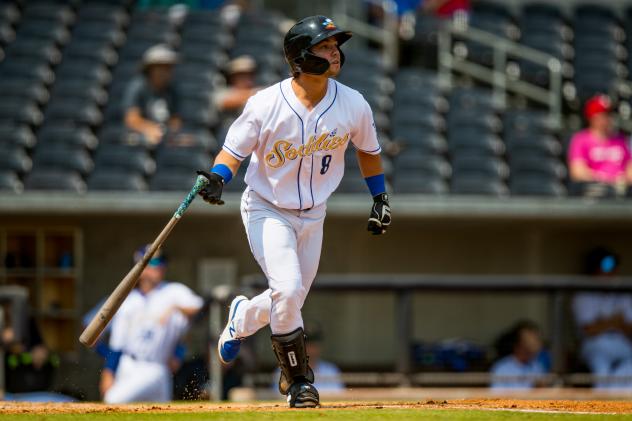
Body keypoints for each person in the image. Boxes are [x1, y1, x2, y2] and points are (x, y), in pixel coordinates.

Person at [195, 15, 391, 408]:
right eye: (324, 45)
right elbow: (233, 152)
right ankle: (299, 382)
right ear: (300, 56)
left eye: (336, 45)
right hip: (267, 208)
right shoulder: (266, 103)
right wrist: (218, 177)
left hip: (314, 213)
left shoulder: (353, 103)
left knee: (290, 298)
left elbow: (369, 152)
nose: (334, 51)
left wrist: (380, 198)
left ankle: (242, 318)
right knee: (286, 290)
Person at [100, 246, 204, 403]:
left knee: (114, 401)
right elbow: (117, 345)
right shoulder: (127, 301)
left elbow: (200, 310)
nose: (160, 267)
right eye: (154, 262)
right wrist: (109, 372)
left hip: (156, 367)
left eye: (162, 262)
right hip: (128, 365)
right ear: (140, 268)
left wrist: (176, 308)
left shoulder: (174, 291)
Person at [573, 247, 632, 389]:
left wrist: (604, 323)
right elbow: (589, 330)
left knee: (626, 372)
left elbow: (630, 329)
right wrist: (615, 321)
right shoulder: (583, 296)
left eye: (613, 268)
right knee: (601, 370)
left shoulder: (624, 294)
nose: (611, 273)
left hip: (622, 343)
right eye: (606, 267)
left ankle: (619, 407)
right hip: (595, 345)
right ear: (594, 270)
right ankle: (602, 406)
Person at [568, 95, 632, 193]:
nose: (607, 118)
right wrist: (604, 180)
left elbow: (630, 169)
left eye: (609, 114)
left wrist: (622, 180)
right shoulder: (581, 139)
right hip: (593, 193)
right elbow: (577, 172)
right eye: (603, 114)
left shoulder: (621, 139)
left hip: (621, 192)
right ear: (592, 117)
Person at [122, 44, 182, 146]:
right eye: (161, 67)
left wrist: (169, 132)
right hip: (139, 137)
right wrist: (149, 128)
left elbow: (175, 120)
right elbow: (131, 119)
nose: (166, 72)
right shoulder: (138, 87)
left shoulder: (172, 90)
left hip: (163, 137)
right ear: (150, 69)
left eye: (168, 68)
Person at [272, 323, 344, 393]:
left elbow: (338, 396)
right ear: (298, 345)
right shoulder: (284, 370)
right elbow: (278, 398)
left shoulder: (331, 370)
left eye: (314, 344)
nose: (310, 348)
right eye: (306, 343)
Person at [490, 321, 548, 390]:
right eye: (529, 342)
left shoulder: (537, 366)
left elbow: (545, 394)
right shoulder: (501, 369)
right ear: (518, 345)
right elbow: (496, 398)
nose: (535, 346)